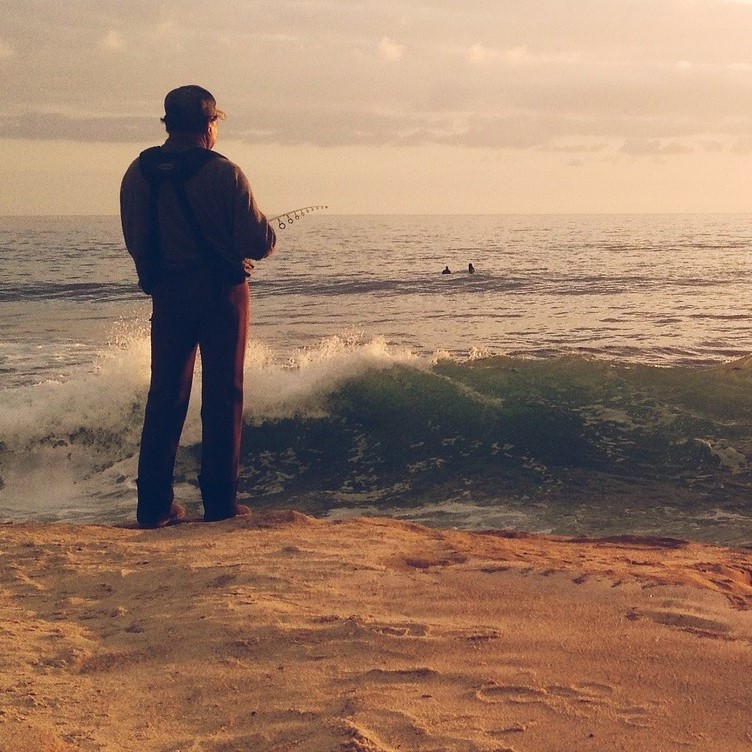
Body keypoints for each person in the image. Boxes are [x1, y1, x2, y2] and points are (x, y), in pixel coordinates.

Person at [120, 85, 276, 528]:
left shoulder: (138, 171)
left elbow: (136, 238)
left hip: (168, 294)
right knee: (224, 394)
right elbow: (256, 241)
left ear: (168, 124)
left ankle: (153, 506)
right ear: (210, 124)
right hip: (221, 295)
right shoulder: (224, 173)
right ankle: (221, 504)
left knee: (165, 396)